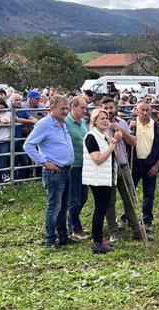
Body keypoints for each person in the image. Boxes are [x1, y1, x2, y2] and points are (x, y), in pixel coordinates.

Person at [23, 95, 74, 250]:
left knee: (64, 205)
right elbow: (28, 145)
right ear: (51, 109)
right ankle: (50, 240)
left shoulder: (62, 123)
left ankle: (63, 236)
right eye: (62, 109)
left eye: (67, 108)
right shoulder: (44, 124)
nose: (65, 111)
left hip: (65, 169)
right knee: (54, 206)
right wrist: (44, 162)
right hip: (54, 172)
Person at [101, 96, 150, 242]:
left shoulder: (122, 122)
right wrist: (114, 137)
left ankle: (136, 229)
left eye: (111, 107)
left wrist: (123, 131)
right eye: (106, 108)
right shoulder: (99, 125)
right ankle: (113, 231)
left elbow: (134, 142)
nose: (109, 111)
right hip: (108, 167)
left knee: (130, 198)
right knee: (110, 201)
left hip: (123, 165)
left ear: (115, 108)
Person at [83, 108, 120, 253]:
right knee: (100, 208)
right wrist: (111, 148)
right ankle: (97, 242)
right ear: (94, 121)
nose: (105, 121)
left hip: (104, 177)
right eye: (102, 118)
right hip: (97, 178)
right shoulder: (91, 136)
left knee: (103, 207)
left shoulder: (102, 135)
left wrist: (110, 143)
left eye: (107, 118)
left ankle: (98, 240)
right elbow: (97, 159)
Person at [131, 100, 159, 233]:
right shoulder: (132, 125)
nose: (144, 113)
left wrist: (157, 165)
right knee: (130, 193)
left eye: (147, 110)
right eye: (142, 110)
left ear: (150, 111)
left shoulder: (158, 127)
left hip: (150, 164)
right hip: (134, 164)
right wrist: (129, 128)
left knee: (149, 195)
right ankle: (128, 218)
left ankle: (147, 220)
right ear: (137, 110)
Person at [66, 95, 90, 240]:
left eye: (86, 108)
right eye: (82, 108)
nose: (85, 110)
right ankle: (75, 228)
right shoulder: (66, 123)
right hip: (73, 165)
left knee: (83, 197)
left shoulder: (83, 123)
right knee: (74, 199)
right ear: (73, 107)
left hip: (85, 164)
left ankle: (72, 222)